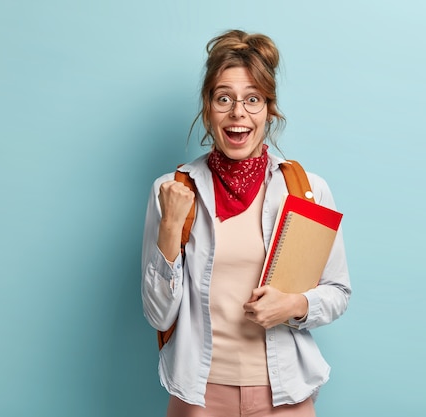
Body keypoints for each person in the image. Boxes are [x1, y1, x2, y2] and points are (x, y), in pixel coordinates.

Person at [141, 29, 351, 417]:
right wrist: (170, 228)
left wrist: (294, 304)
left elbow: (338, 291)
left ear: (269, 110)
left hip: (284, 394)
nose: (238, 112)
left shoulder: (304, 190)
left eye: (252, 99)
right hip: (199, 396)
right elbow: (158, 315)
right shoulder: (170, 191)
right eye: (224, 98)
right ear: (208, 108)